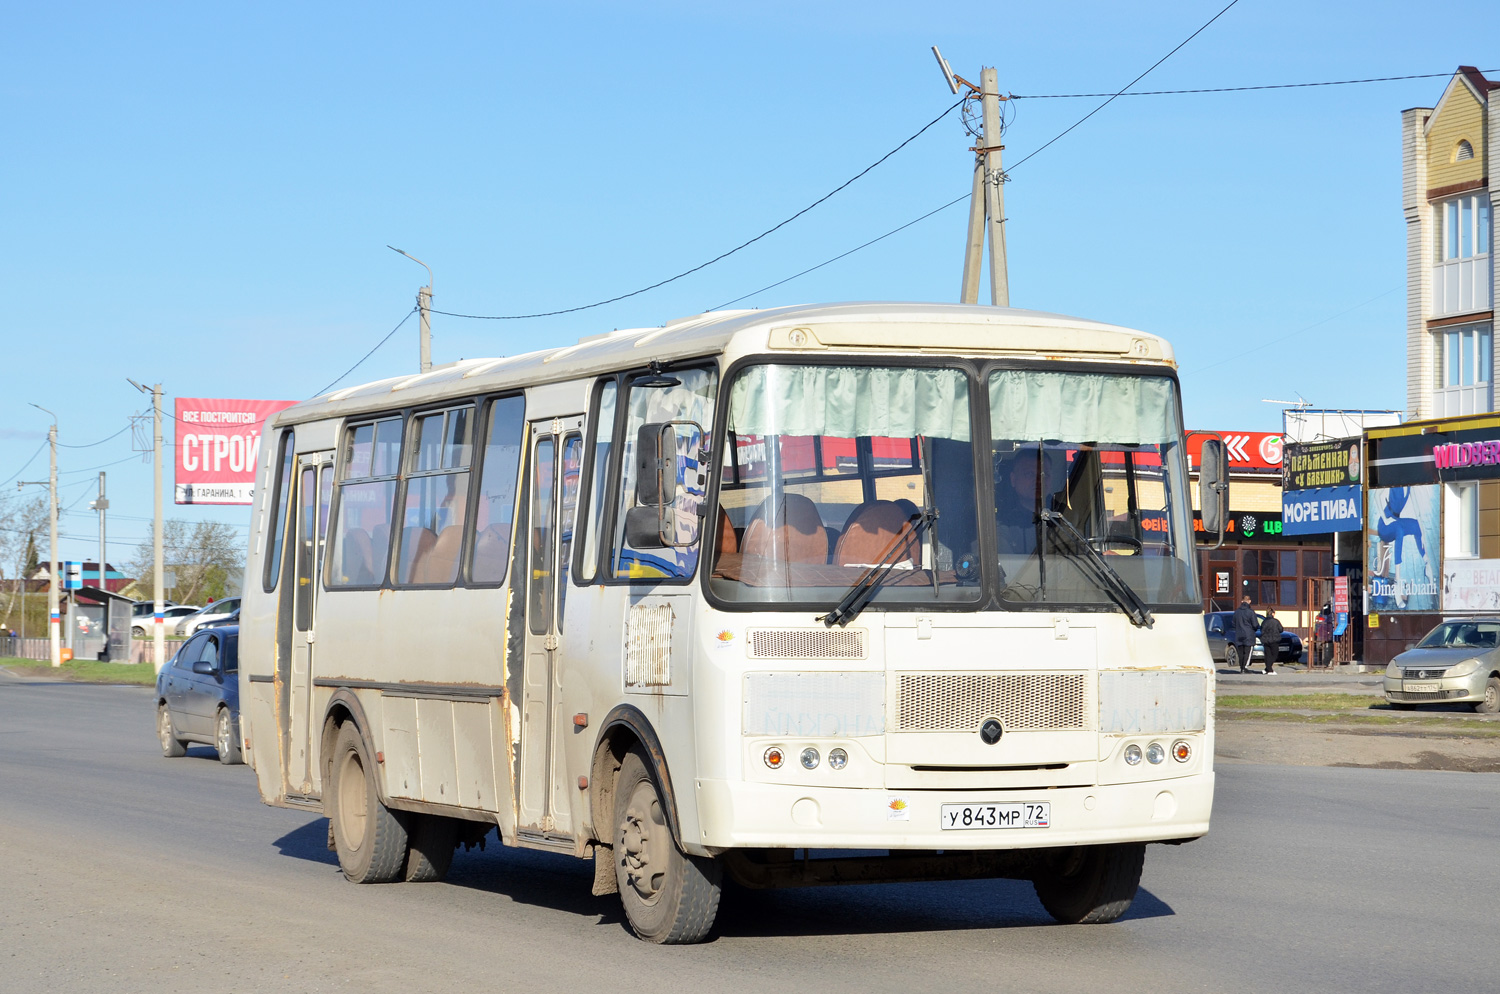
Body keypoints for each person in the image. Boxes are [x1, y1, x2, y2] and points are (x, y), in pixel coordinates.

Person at [1232, 594, 1257, 674]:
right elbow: (1255, 624)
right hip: (1248, 635)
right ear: (1249, 601)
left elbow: (1233, 623)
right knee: (1247, 652)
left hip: (1239, 634)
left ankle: (1241, 667)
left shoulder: (1237, 612)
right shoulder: (1251, 612)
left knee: (1241, 652)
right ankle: (1244, 667)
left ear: (1242, 601)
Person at [1259, 607, 1284, 675]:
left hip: (1266, 640)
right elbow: (1281, 629)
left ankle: (1267, 669)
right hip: (1274, 640)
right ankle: (1269, 669)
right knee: (1274, 654)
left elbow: (1262, 630)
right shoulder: (1276, 621)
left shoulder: (1264, 622)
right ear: (1272, 613)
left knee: (1268, 655)